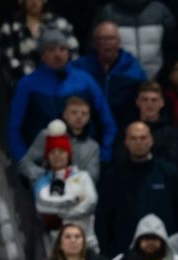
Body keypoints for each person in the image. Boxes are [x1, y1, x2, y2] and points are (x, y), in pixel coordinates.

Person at [7, 28, 116, 171]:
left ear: (69, 52)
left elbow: (108, 123)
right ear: (42, 55)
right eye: (51, 50)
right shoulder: (27, 85)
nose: (58, 54)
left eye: (63, 49)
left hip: (83, 167)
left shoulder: (85, 81)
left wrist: (103, 158)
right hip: (42, 166)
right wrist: (24, 164)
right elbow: (13, 129)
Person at [95, 123, 178, 259]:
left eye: (143, 138)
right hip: (124, 255)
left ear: (151, 140)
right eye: (133, 138)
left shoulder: (169, 173)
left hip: (165, 252)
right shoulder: (113, 176)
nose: (138, 142)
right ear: (126, 142)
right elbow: (103, 218)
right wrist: (108, 253)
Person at [33, 120, 99, 246]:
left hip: (87, 242)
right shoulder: (42, 181)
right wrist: (75, 200)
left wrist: (62, 215)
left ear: (68, 154)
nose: (57, 156)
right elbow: (42, 206)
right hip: (56, 245)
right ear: (47, 156)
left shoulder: (83, 177)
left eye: (61, 152)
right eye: (53, 152)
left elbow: (90, 203)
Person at [71, 20, 146, 128]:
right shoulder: (80, 67)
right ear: (94, 44)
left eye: (111, 38)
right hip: (89, 128)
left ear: (119, 42)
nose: (107, 43)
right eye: (102, 39)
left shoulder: (133, 68)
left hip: (124, 128)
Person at [19, 96, 102, 183]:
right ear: (65, 114)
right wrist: (45, 175)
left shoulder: (93, 147)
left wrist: (70, 179)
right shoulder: (48, 135)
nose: (79, 116)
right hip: (46, 190)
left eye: (84, 113)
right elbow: (24, 163)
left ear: (89, 118)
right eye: (74, 112)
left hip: (76, 193)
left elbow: (93, 177)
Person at [0, 0, 80, 82]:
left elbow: (74, 53)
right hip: (24, 83)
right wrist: (29, 77)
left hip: (60, 84)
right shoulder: (10, 28)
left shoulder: (59, 23)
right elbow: (5, 58)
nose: (34, 2)